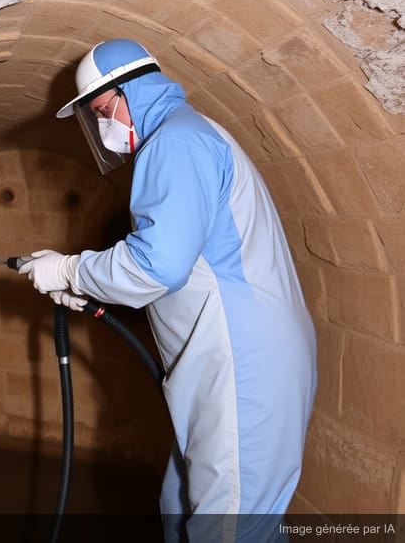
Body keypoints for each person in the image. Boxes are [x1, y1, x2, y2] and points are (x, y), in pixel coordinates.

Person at [18, 39, 317, 542]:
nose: (102, 127)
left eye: (99, 111)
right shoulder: (186, 138)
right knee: (180, 505)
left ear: (126, 92)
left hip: (243, 365)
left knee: (229, 526)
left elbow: (158, 266)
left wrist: (71, 271)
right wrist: (89, 287)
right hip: (224, 362)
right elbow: (191, 264)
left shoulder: (177, 143)